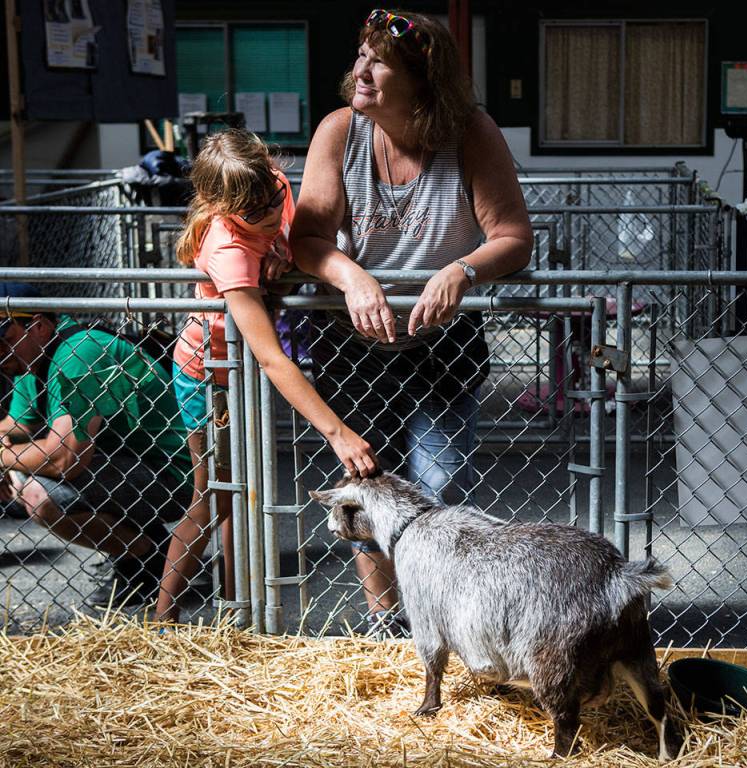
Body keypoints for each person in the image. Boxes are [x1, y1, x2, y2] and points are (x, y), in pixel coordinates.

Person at [290, 9, 533, 636]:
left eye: (379, 62)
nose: (360, 72)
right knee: (366, 482)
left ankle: (442, 616)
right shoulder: (340, 132)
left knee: (439, 479)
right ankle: (386, 618)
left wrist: (462, 272)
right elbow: (308, 238)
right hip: (356, 340)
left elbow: (512, 236)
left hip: (441, 340)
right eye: (360, 56)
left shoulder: (470, 132)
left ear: (423, 80)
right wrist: (351, 277)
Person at [165, 129, 378, 622]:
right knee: (214, 497)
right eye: (250, 214)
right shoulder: (229, 250)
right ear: (220, 206)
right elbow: (272, 357)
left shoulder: (276, 185)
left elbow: (296, 243)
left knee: (242, 494)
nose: (266, 216)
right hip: (210, 372)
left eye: (270, 201)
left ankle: (240, 616)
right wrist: (338, 433)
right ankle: (162, 618)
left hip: (239, 368)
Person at [0, 282, 192, 607]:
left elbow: (65, 458)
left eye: (3, 339)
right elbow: (18, 425)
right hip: (127, 464)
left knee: (36, 493)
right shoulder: (29, 358)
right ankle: (138, 545)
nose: (0, 352)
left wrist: (4, 457)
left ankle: (148, 556)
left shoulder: (79, 352)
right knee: (23, 468)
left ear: (39, 326)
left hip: (173, 476)